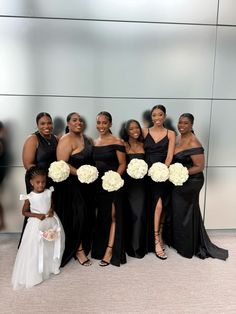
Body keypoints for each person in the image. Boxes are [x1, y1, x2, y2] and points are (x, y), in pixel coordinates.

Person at [170, 113, 228, 260]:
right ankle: (180, 242)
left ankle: (187, 247)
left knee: (186, 212)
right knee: (180, 211)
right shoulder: (177, 137)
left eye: (185, 123)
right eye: (180, 123)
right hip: (179, 180)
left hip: (191, 181)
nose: (181, 126)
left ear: (191, 125)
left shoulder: (194, 142)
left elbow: (199, 166)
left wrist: (181, 173)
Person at [12, 167, 65, 289]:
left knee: (52, 243)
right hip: (36, 224)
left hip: (50, 221)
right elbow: (24, 212)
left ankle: (51, 266)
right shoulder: (29, 197)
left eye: (43, 182)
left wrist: (51, 210)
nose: (41, 185)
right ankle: (36, 272)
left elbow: (51, 203)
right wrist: (36, 215)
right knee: (36, 247)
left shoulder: (48, 192)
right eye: (38, 182)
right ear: (31, 182)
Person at [55, 112, 95, 267]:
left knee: (88, 214)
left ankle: (84, 243)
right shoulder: (66, 139)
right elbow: (62, 164)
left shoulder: (87, 139)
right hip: (72, 185)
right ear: (68, 124)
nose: (79, 122)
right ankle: (78, 250)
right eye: (74, 120)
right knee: (78, 215)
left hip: (88, 184)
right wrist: (80, 173)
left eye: (80, 120)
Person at [91, 111, 127, 266]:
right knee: (102, 216)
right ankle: (99, 248)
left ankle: (110, 250)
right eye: (98, 122)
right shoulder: (94, 141)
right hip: (97, 185)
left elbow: (122, 164)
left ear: (110, 124)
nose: (101, 126)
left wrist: (114, 179)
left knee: (113, 216)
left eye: (104, 123)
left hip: (112, 184)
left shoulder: (117, 141)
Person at [18, 112, 58, 246]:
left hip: (51, 179)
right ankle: (30, 245)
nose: (47, 126)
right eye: (43, 123)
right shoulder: (33, 139)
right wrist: (40, 180)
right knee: (36, 210)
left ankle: (49, 241)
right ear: (37, 125)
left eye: (49, 123)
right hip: (36, 180)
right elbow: (27, 164)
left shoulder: (55, 138)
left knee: (49, 210)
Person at [143, 105, 175, 260]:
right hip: (147, 175)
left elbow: (169, 156)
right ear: (151, 117)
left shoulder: (171, 133)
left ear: (165, 116)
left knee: (162, 206)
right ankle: (156, 238)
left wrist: (162, 171)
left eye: (160, 115)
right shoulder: (144, 131)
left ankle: (158, 237)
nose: (157, 118)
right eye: (154, 115)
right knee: (155, 206)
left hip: (162, 175)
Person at [120, 119, 147, 258]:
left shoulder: (144, 144)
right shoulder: (123, 144)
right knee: (129, 214)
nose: (135, 130)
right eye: (131, 129)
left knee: (139, 214)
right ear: (126, 131)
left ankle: (138, 246)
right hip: (127, 185)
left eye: (137, 128)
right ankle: (128, 246)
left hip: (141, 185)